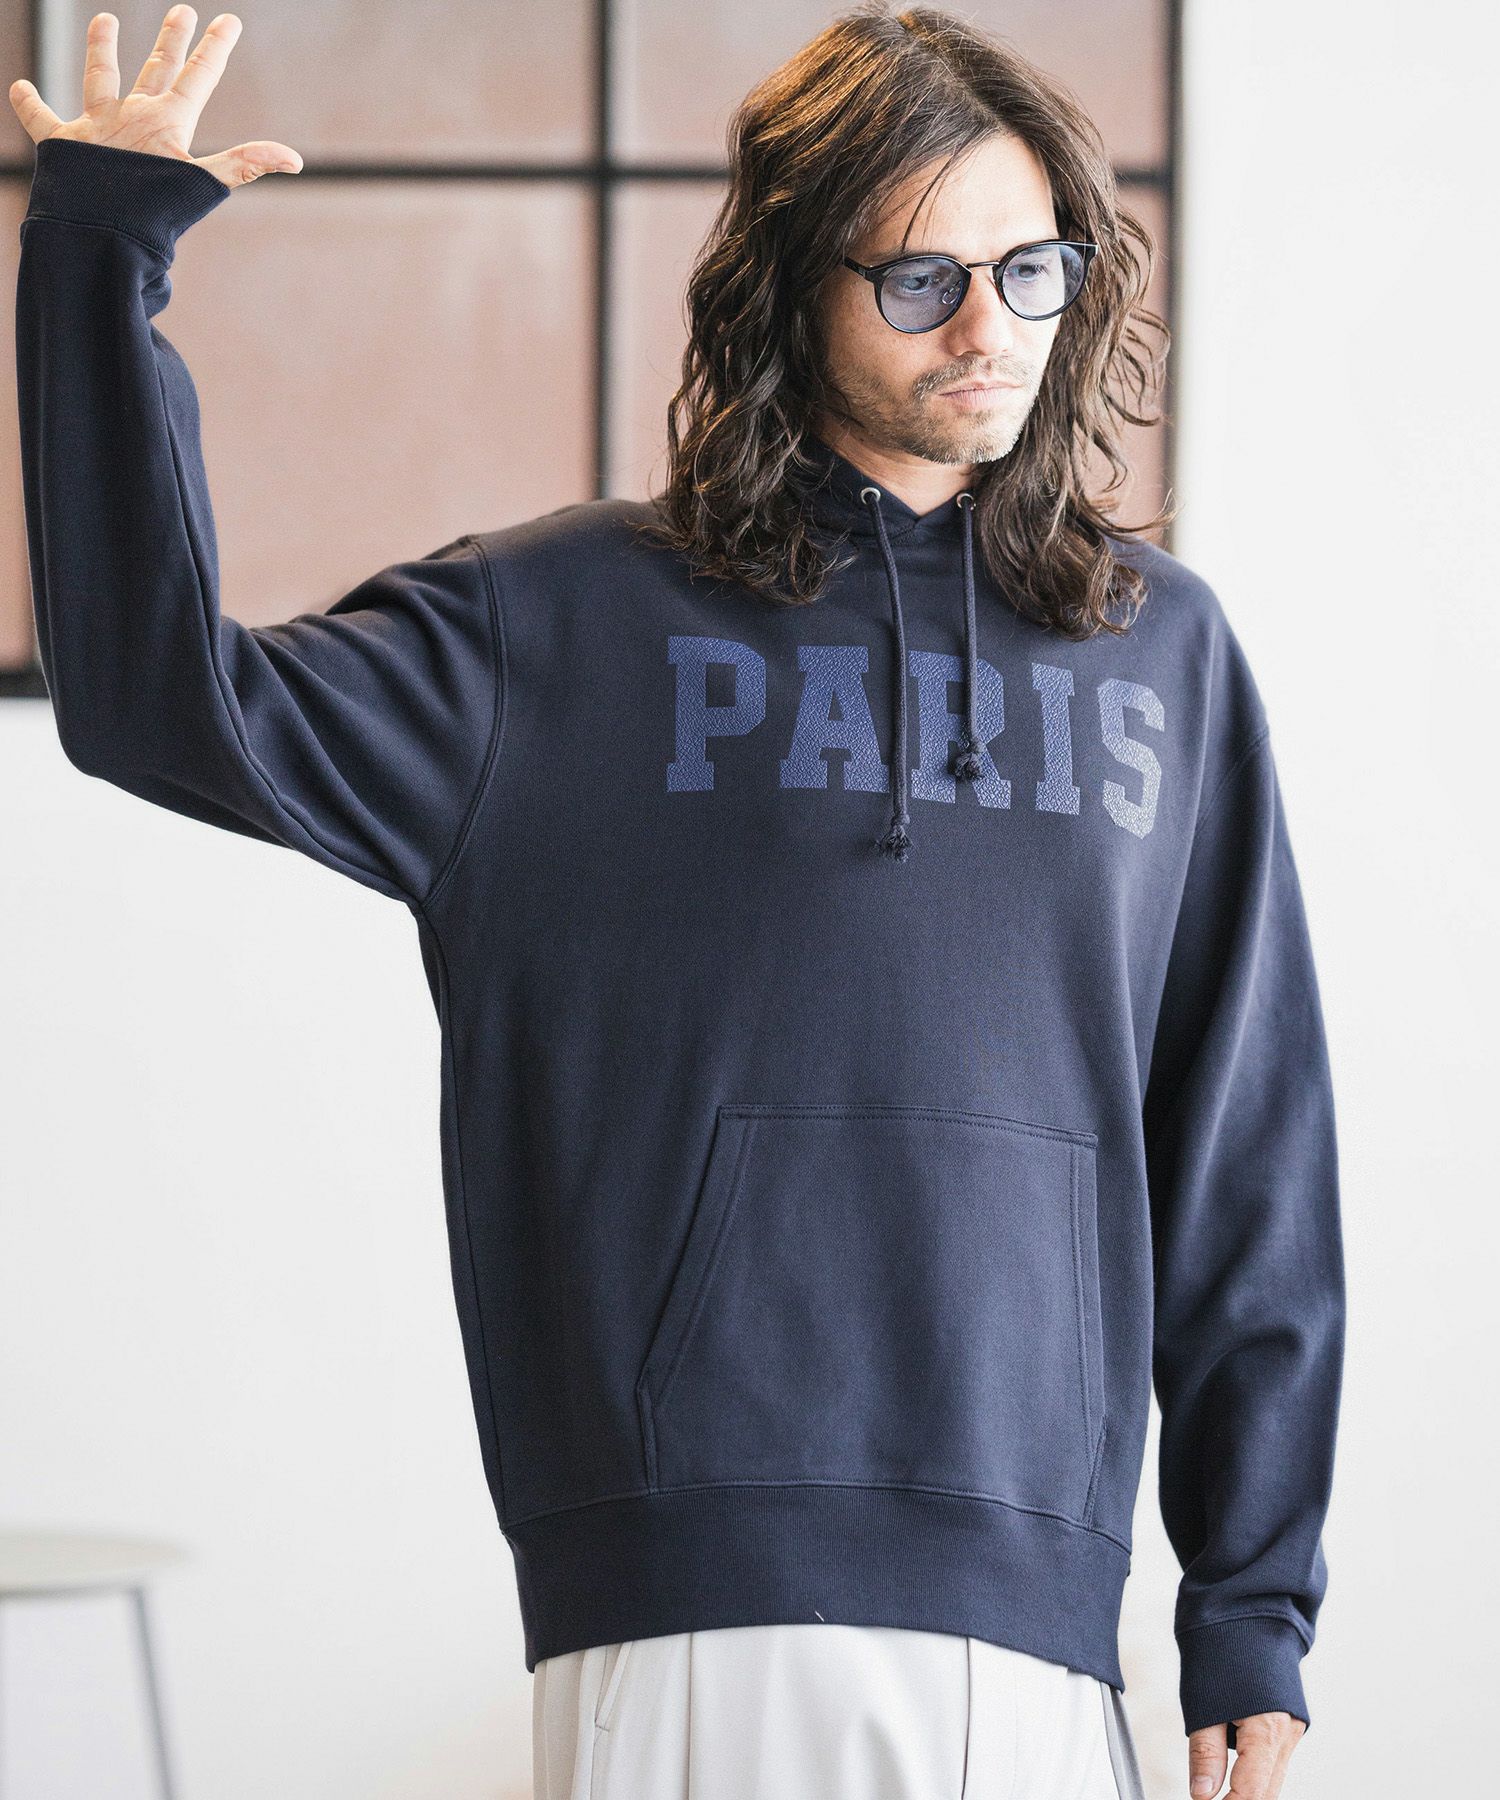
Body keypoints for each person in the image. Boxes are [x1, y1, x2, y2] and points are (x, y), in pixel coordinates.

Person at [9, 5, 1345, 1798]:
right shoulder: (559, 629)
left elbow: (1248, 1150)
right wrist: (100, 255)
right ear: (792, 286)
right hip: (694, 1611)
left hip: (1051, 1622)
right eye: (923, 281)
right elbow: (155, 701)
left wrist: (1251, 1599)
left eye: (1032, 271)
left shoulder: (1159, 654)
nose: (989, 331)